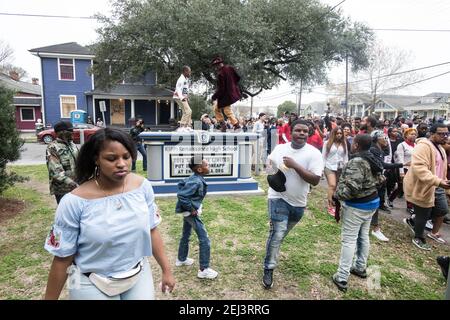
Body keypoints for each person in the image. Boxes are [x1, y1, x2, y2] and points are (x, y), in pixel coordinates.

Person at [43, 128, 175, 299]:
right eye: (111, 158)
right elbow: (62, 259)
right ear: (96, 159)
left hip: (137, 272)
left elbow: (152, 230)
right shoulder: (73, 202)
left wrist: (167, 270)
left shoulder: (142, 187)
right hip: (88, 280)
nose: (121, 163)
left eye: (126, 157)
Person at [262, 119, 323, 289]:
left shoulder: (314, 153)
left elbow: (316, 180)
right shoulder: (280, 149)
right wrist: (273, 171)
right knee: (277, 233)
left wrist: (294, 165)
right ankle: (269, 268)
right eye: (298, 130)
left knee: (278, 235)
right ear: (291, 132)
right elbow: (268, 167)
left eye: (305, 131)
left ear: (309, 133)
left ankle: (271, 250)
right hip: (277, 197)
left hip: (298, 202)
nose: (301, 133)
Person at [331, 134, 383, 292]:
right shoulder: (371, 158)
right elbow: (381, 179)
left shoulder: (357, 161)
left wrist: (336, 196)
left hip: (357, 206)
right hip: (372, 203)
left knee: (349, 240)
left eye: (353, 143)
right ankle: (360, 266)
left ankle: (341, 276)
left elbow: (353, 188)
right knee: (363, 235)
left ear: (356, 145)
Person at [403, 123, 450, 250]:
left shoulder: (440, 148)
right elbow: (420, 168)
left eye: (446, 134)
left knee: (442, 210)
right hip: (424, 186)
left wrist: (443, 180)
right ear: (432, 134)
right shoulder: (423, 147)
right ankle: (418, 237)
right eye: (441, 134)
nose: (445, 136)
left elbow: (441, 167)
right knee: (423, 213)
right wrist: (437, 181)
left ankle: (414, 220)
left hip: (437, 185)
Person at [175, 156, 218, 279]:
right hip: (190, 213)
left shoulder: (195, 178)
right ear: (199, 169)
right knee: (204, 239)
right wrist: (192, 209)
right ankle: (203, 269)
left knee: (186, 234)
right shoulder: (196, 181)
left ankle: (181, 259)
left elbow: (181, 184)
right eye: (207, 165)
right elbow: (182, 195)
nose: (208, 167)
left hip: (187, 212)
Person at [369, 130, 403, 242]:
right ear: (376, 139)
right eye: (383, 138)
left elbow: (387, 154)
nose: (386, 140)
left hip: (377, 180)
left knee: (374, 202)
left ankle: (372, 225)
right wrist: (401, 164)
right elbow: (381, 165)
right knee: (374, 203)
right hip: (372, 180)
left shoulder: (379, 149)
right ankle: (375, 228)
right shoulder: (374, 150)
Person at [46, 120, 79, 204]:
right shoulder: (52, 147)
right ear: (62, 132)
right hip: (63, 190)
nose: (73, 132)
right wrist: (72, 184)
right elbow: (56, 171)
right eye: (70, 131)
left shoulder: (73, 145)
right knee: (66, 213)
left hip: (77, 186)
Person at [211, 56, 242, 132]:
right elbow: (238, 77)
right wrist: (233, 85)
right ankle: (223, 125)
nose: (215, 68)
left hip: (226, 95)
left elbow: (221, 89)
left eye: (215, 66)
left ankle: (236, 125)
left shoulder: (220, 74)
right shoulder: (230, 68)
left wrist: (214, 97)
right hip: (232, 92)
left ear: (217, 65)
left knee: (227, 110)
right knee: (216, 108)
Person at [323, 127, 349, 217]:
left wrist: (346, 168)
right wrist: (321, 169)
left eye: (340, 133)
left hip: (340, 167)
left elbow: (345, 157)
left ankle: (334, 202)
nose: (339, 135)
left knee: (336, 187)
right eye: (337, 133)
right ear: (333, 134)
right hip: (329, 166)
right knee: (332, 185)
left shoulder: (344, 143)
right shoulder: (327, 143)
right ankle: (329, 206)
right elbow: (323, 157)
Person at [393, 128, 417, 214]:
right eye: (411, 134)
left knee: (412, 188)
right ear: (406, 135)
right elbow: (400, 159)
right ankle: (391, 199)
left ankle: (411, 205)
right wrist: (401, 172)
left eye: (414, 134)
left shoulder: (416, 145)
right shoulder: (402, 145)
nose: (413, 135)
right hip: (405, 169)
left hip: (414, 170)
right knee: (403, 187)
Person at [173, 66, 193, 131]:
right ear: (185, 71)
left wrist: (186, 97)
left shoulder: (185, 79)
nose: (190, 73)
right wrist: (182, 97)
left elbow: (185, 89)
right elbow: (178, 89)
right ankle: (182, 126)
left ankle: (187, 126)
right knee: (188, 111)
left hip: (183, 97)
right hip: (179, 97)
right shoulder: (181, 79)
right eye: (189, 72)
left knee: (186, 111)